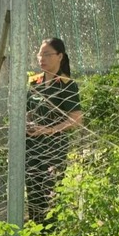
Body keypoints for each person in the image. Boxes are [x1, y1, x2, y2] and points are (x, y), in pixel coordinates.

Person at [25, 37, 82, 225]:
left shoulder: (67, 85)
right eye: (40, 54)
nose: (42, 58)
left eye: (47, 54)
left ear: (60, 56)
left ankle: (51, 235)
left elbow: (75, 120)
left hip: (54, 148)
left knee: (50, 190)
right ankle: (35, 232)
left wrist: (48, 130)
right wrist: (28, 122)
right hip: (31, 146)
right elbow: (26, 110)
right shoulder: (34, 83)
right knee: (32, 189)